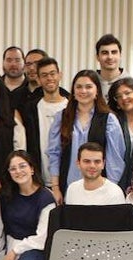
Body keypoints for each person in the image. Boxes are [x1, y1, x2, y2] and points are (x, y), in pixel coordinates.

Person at [46, 69, 125, 202]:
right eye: (79, 87)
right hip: (68, 187)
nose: (83, 91)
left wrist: (110, 189)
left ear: (97, 91)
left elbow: (115, 159)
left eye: (88, 87)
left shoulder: (109, 119)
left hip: (100, 190)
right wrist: (55, 187)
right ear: (73, 91)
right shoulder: (62, 117)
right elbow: (54, 154)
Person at [0, 151, 56, 260]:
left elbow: (43, 237)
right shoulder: (5, 196)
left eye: (22, 166)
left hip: (35, 250)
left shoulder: (46, 197)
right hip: (10, 247)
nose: (18, 171)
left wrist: (14, 252)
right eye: (13, 169)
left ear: (32, 169)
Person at [31, 58, 69, 186]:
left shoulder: (72, 107)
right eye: (44, 75)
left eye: (53, 73)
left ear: (60, 75)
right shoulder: (30, 109)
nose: (49, 78)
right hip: (39, 180)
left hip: (68, 178)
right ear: (38, 79)